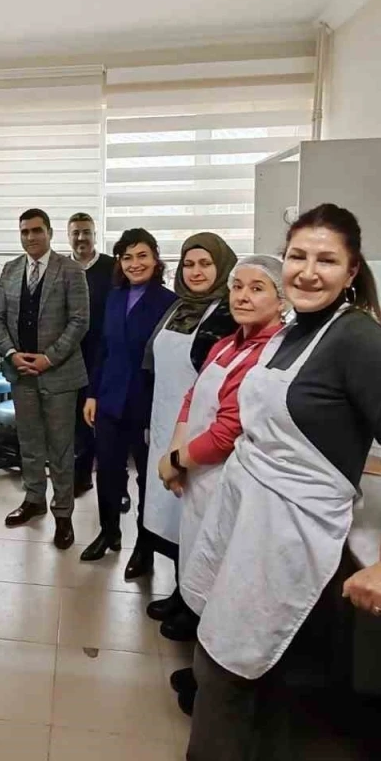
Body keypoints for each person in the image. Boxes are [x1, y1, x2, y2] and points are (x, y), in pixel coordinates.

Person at [177, 204, 381, 761]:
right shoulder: (296, 329)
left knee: (232, 669)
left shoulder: (359, 341)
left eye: (327, 260)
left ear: (352, 270)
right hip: (249, 516)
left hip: (288, 534)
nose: (309, 271)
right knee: (233, 666)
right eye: (298, 256)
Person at [157, 255, 288, 715]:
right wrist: (176, 456)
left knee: (221, 583)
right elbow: (193, 396)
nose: (242, 297)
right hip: (199, 475)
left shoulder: (269, 354)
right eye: (238, 287)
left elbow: (229, 430)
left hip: (226, 481)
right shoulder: (228, 343)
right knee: (200, 566)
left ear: (282, 299)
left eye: (257, 288)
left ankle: (212, 686)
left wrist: (178, 460)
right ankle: (201, 669)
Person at [137, 233, 238, 625]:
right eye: (189, 264)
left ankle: (197, 607)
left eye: (205, 264)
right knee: (172, 516)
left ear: (222, 267)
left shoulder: (230, 314)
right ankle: (182, 592)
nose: (196, 272)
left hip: (203, 431)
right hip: (167, 421)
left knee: (198, 519)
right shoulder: (178, 307)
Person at [0, 208, 90, 550]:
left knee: (61, 448)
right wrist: (10, 354)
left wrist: (49, 358)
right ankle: (34, 499)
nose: (30, 237)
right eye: (24, 231)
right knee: (29, 442)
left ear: (49, 232)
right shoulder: (10, 269)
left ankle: (63, 514)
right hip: (21, 373)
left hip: (59, 373)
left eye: (36, 230)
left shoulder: (71, 270)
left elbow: (80, 321)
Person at [80, 228, 176, 568]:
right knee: (107, 471)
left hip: (146, 404)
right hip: (109, 400)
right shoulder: (115, 297)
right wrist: (92, 394)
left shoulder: (169, 303)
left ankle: (144, 546)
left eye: (142, 256)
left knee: (147, 479)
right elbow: (103, 349)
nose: (135, 264)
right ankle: (109, 532)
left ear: (155, 259)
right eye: (127, 257)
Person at [67, 213, 116, 498]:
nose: (81, 238)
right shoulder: (62, 268)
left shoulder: (112, 267)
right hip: (71, 357)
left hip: (106, 355)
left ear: (95, 235)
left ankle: (114, 486)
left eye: (86, 232)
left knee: (106, 421)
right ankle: (81, 477)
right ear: (68, 236)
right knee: (78, 423)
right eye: (76, 233)